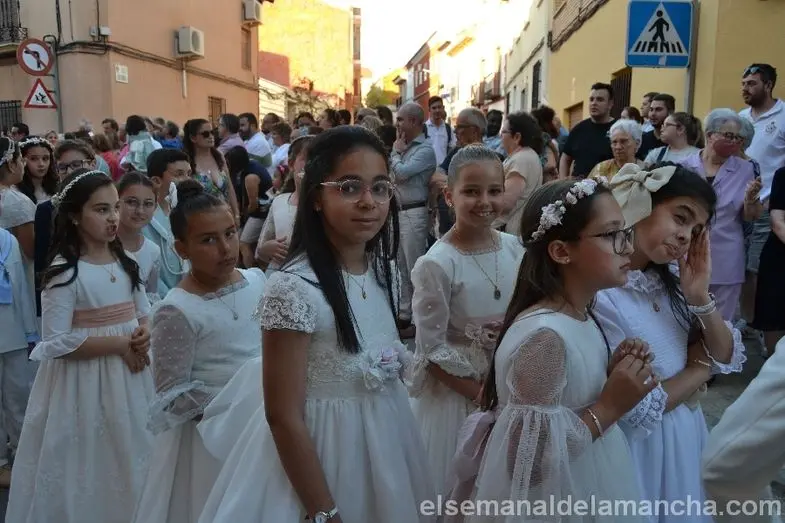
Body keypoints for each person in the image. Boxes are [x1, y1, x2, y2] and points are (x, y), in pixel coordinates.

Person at [197, 127, 434, 523]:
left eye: (379, 188)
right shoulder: (294, 289)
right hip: (324, 457)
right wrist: (325, 510)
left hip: (387, 447)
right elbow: (283, 415)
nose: (368, 202)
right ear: (317, 197)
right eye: (349, 187)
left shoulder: (384, 273)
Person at [449, 178, 652, 522]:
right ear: (561, 251)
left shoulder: (579, 315)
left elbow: (565, 399)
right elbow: (527, 463)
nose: (627, 247)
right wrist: (608, 407)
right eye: (611, 235)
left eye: (625, 232)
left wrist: (610, 376)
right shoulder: (545, 336)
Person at [594, 163, 744, 522]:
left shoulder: (673, 282)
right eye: (680, 218)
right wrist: (699, 369)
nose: (685, 236)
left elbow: (725, 352)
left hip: (684, 435)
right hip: (639, 448)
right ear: (641, 203)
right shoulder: (603, 289)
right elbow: (637, 405)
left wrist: (699, 297)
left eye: (696, 231)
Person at [7, 169, 155, 522]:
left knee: (134, 449)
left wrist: (144, 334)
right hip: (84, 383)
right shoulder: (65, 272)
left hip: (130, 377)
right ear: (75, 216)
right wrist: (120, 343)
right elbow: (56, 341)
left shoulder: (127, 261)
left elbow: (144, 311)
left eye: (115, 207)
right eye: (101, 210)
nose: (114, 217)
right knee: (90, 458)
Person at [132, 179, 265, 523]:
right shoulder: (177, 309)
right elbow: (173, 394)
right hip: (215, 437)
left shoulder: (256, 280)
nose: (225, 248)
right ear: (182, 248)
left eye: (230, 233)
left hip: (267, 423)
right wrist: (237, 406)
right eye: (208, 240)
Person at [409, 145, 525, 497]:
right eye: (471, 192)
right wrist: (484, 397)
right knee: (465, 490)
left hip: (513, 381)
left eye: (494, 191)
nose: (484, 202)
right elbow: (431, 351)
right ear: (449, 196)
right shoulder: (438, 263)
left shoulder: (515, 248)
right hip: (463, 396)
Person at [0, 196, 39, 488]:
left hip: (13, 330)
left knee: (19, 394)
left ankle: (25, 453)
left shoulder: (8, 240)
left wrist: (29, 331)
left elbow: (22, 287)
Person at [254, 135, 313, 271]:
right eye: (308, 158)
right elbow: (261, 248)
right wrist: (266, 249)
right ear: (291, 164)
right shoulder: (279, 202)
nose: (314, 165)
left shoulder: (330, 205)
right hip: (280, 272)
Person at [143, 149, 191, 298]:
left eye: (189, 174)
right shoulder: (143, 218)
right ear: (156, 181)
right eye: (179, 174)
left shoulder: (187, 210)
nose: (187, 180)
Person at [116, 172, 162, 304]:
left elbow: (151, 295)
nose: (140, 211)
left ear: (155, 207)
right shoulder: (101, 246)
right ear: (116, 202)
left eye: (148, 204)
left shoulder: (153, 251)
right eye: (131, 202)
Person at [496, 111, 543, 236]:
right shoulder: (524, 156)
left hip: (509, 232)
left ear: (517, 137)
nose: (500, 136)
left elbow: (505, 203)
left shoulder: (521, 160)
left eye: (503, 132)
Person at [17, 136, 58, 204]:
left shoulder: (57, 185)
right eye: (33, 159)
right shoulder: (15, 191)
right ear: (22, 160)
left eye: (45, 158)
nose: (41, 164)